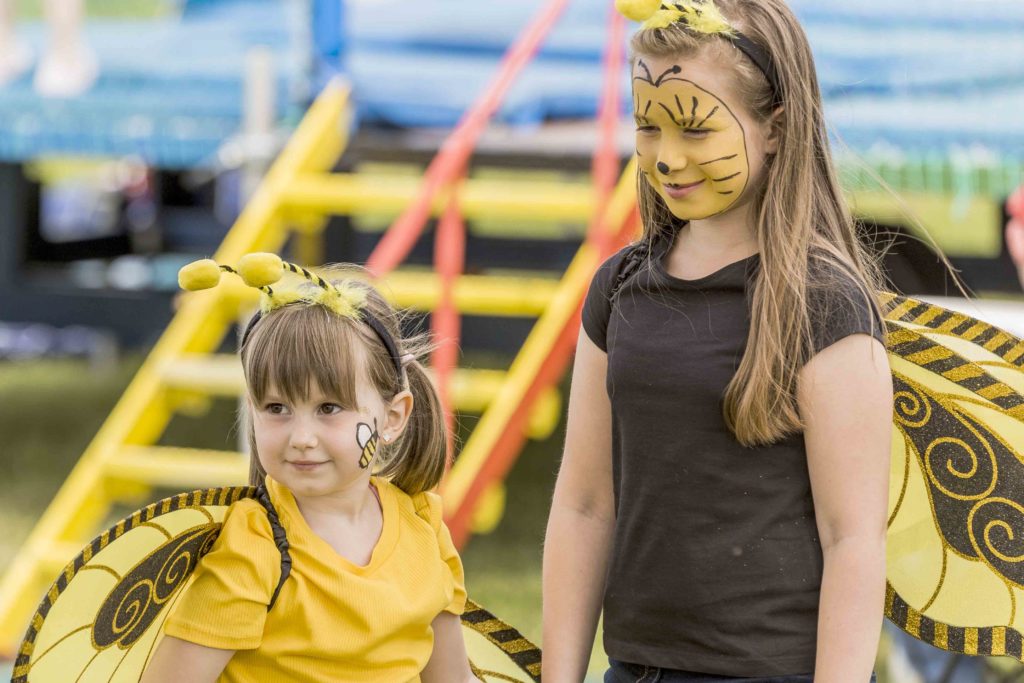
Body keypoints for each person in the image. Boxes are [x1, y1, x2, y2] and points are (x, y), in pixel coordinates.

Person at [542, 0, 893, 681]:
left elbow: (852, 538)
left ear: (776, 129)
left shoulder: (823, 306)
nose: (667, 156)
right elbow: (584, 504)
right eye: (649, 125)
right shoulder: (617, 292)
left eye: (697, 129)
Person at [141, 254, 479, 682]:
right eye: (277, 408)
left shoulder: (422, 528)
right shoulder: (254, 546)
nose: (301, 436)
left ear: (393, 417)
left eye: (329, 408)